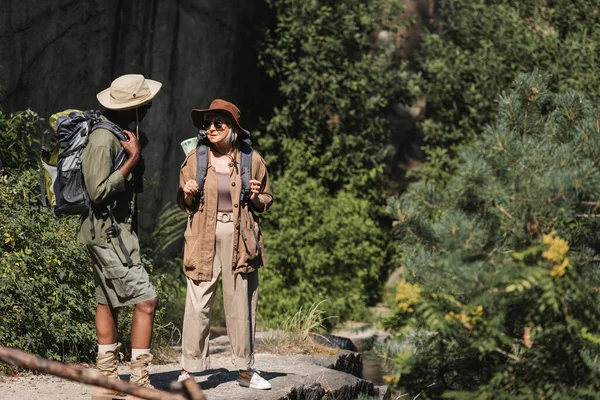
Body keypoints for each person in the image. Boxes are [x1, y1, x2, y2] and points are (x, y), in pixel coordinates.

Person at [177, 99, 273, 390]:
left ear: (233, 129)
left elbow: (266, 200)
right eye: (208, 124)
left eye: (219, 123)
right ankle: (188, 372)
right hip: (202, 234)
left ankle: (245, 371)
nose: (212, 128)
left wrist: (257, 197)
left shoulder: (251, 159)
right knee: (198, 302)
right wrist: (188, 191)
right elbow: (184, 201)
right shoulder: (195, 157)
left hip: (239, 236)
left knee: (240, 303)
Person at [80, 74, 161, 400]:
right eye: (145, 102)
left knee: (108, 300)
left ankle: (107, 383)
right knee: (146, 301)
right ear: (134, 106)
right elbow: (98, 192)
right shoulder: (103, 140)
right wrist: (132, 160)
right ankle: (138, 384)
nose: (150, 106)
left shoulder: (120, 133)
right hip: (108, 233)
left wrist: (135, 152)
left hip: (112, 231)